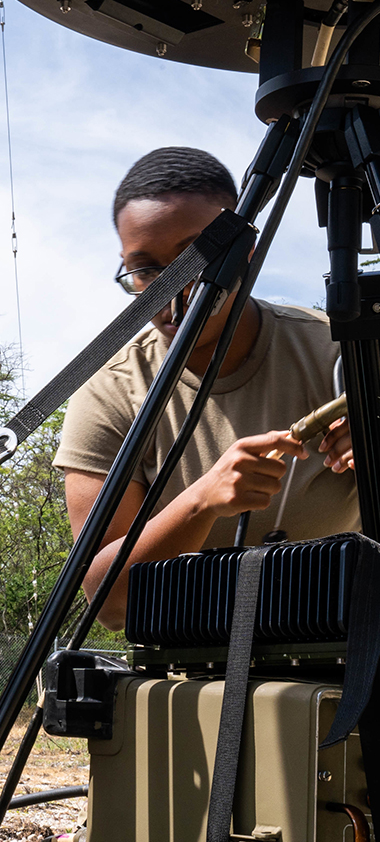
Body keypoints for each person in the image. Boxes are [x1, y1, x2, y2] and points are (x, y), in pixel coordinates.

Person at [54, 146, 360, 631]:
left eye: (196, 259)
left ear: (246, 252)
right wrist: (201, 501)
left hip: (345, 664)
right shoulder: (108, 392)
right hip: (185, 678)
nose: (175, 290)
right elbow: (106, 601)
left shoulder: (338, 352)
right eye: (146, 269)